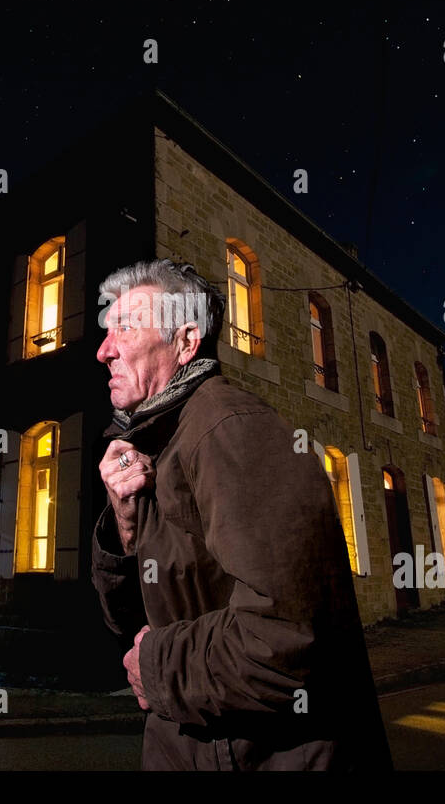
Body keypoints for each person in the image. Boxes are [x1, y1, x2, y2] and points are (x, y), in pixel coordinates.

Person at [90, 258, 393, 771]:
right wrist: (125, 518)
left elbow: (282, 639)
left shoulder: (231, 429)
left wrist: (155, 666)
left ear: (186, 342)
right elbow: (136, 625)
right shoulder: (161, 448)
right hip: (197, 745)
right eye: (106, 329)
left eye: (125, 327)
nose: (104, 350)